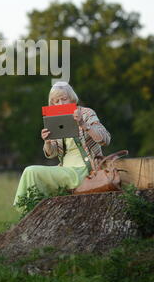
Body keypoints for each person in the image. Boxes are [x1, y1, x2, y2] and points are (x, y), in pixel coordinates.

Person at [13, 81, 111, 211]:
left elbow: (105, 139)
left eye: (64, 99)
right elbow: (51, 153)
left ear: (72, 98)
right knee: (29, 171)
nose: (61, 104)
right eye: (56, 101)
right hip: (65, 169)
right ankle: (29, 210)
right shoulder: (55, 118)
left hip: (86, 169)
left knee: (31, 171)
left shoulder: (87, 113)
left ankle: (27, 210)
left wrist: (84, 125)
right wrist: (47, 141)